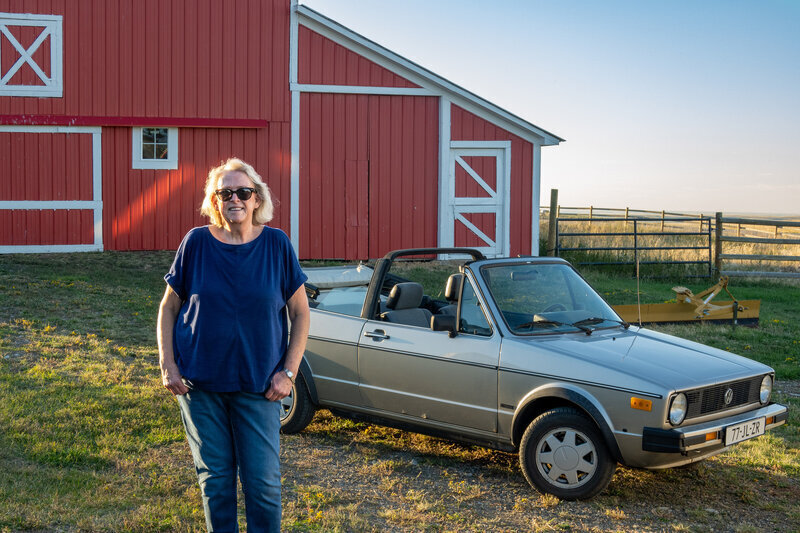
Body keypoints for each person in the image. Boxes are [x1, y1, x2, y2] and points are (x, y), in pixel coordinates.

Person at [157, 157, 310, 532]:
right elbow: (168, 307)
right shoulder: (196, 243)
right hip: (201, 387)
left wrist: (288, 373)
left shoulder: (277, 244)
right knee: (216, 484)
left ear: (257, 199)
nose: (234, 199)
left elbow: (301, 314)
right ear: (214, 200)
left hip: (260, 388)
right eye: (225, 193)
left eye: (243, 192)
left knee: (263, 487)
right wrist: (167, 365)